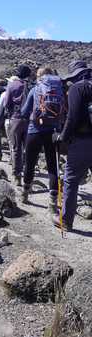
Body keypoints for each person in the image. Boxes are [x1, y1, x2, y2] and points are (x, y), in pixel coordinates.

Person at [53, 60, 92, 231]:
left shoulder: (77, 88)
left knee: (71, 179)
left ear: (74, 75)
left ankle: (66, 220)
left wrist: (63, 138)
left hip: (83, 140)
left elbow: (73, 117)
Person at [20, 67, 64, 205]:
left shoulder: (35, 90)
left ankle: (25, 194)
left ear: (40, 76)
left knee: (30, 163)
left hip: (34, 131)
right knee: (52, 165)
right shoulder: (60, 91)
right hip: (53, 132)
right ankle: (52, 202)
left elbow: (25, 112)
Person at [3, 65, 32, 186]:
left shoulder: (12, 85)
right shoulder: (30, 86)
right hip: (29, 120)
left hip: (15, 118)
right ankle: (28, 175)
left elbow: (6, 103)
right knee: (28, 149)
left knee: (16, 148)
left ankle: (17, 176)